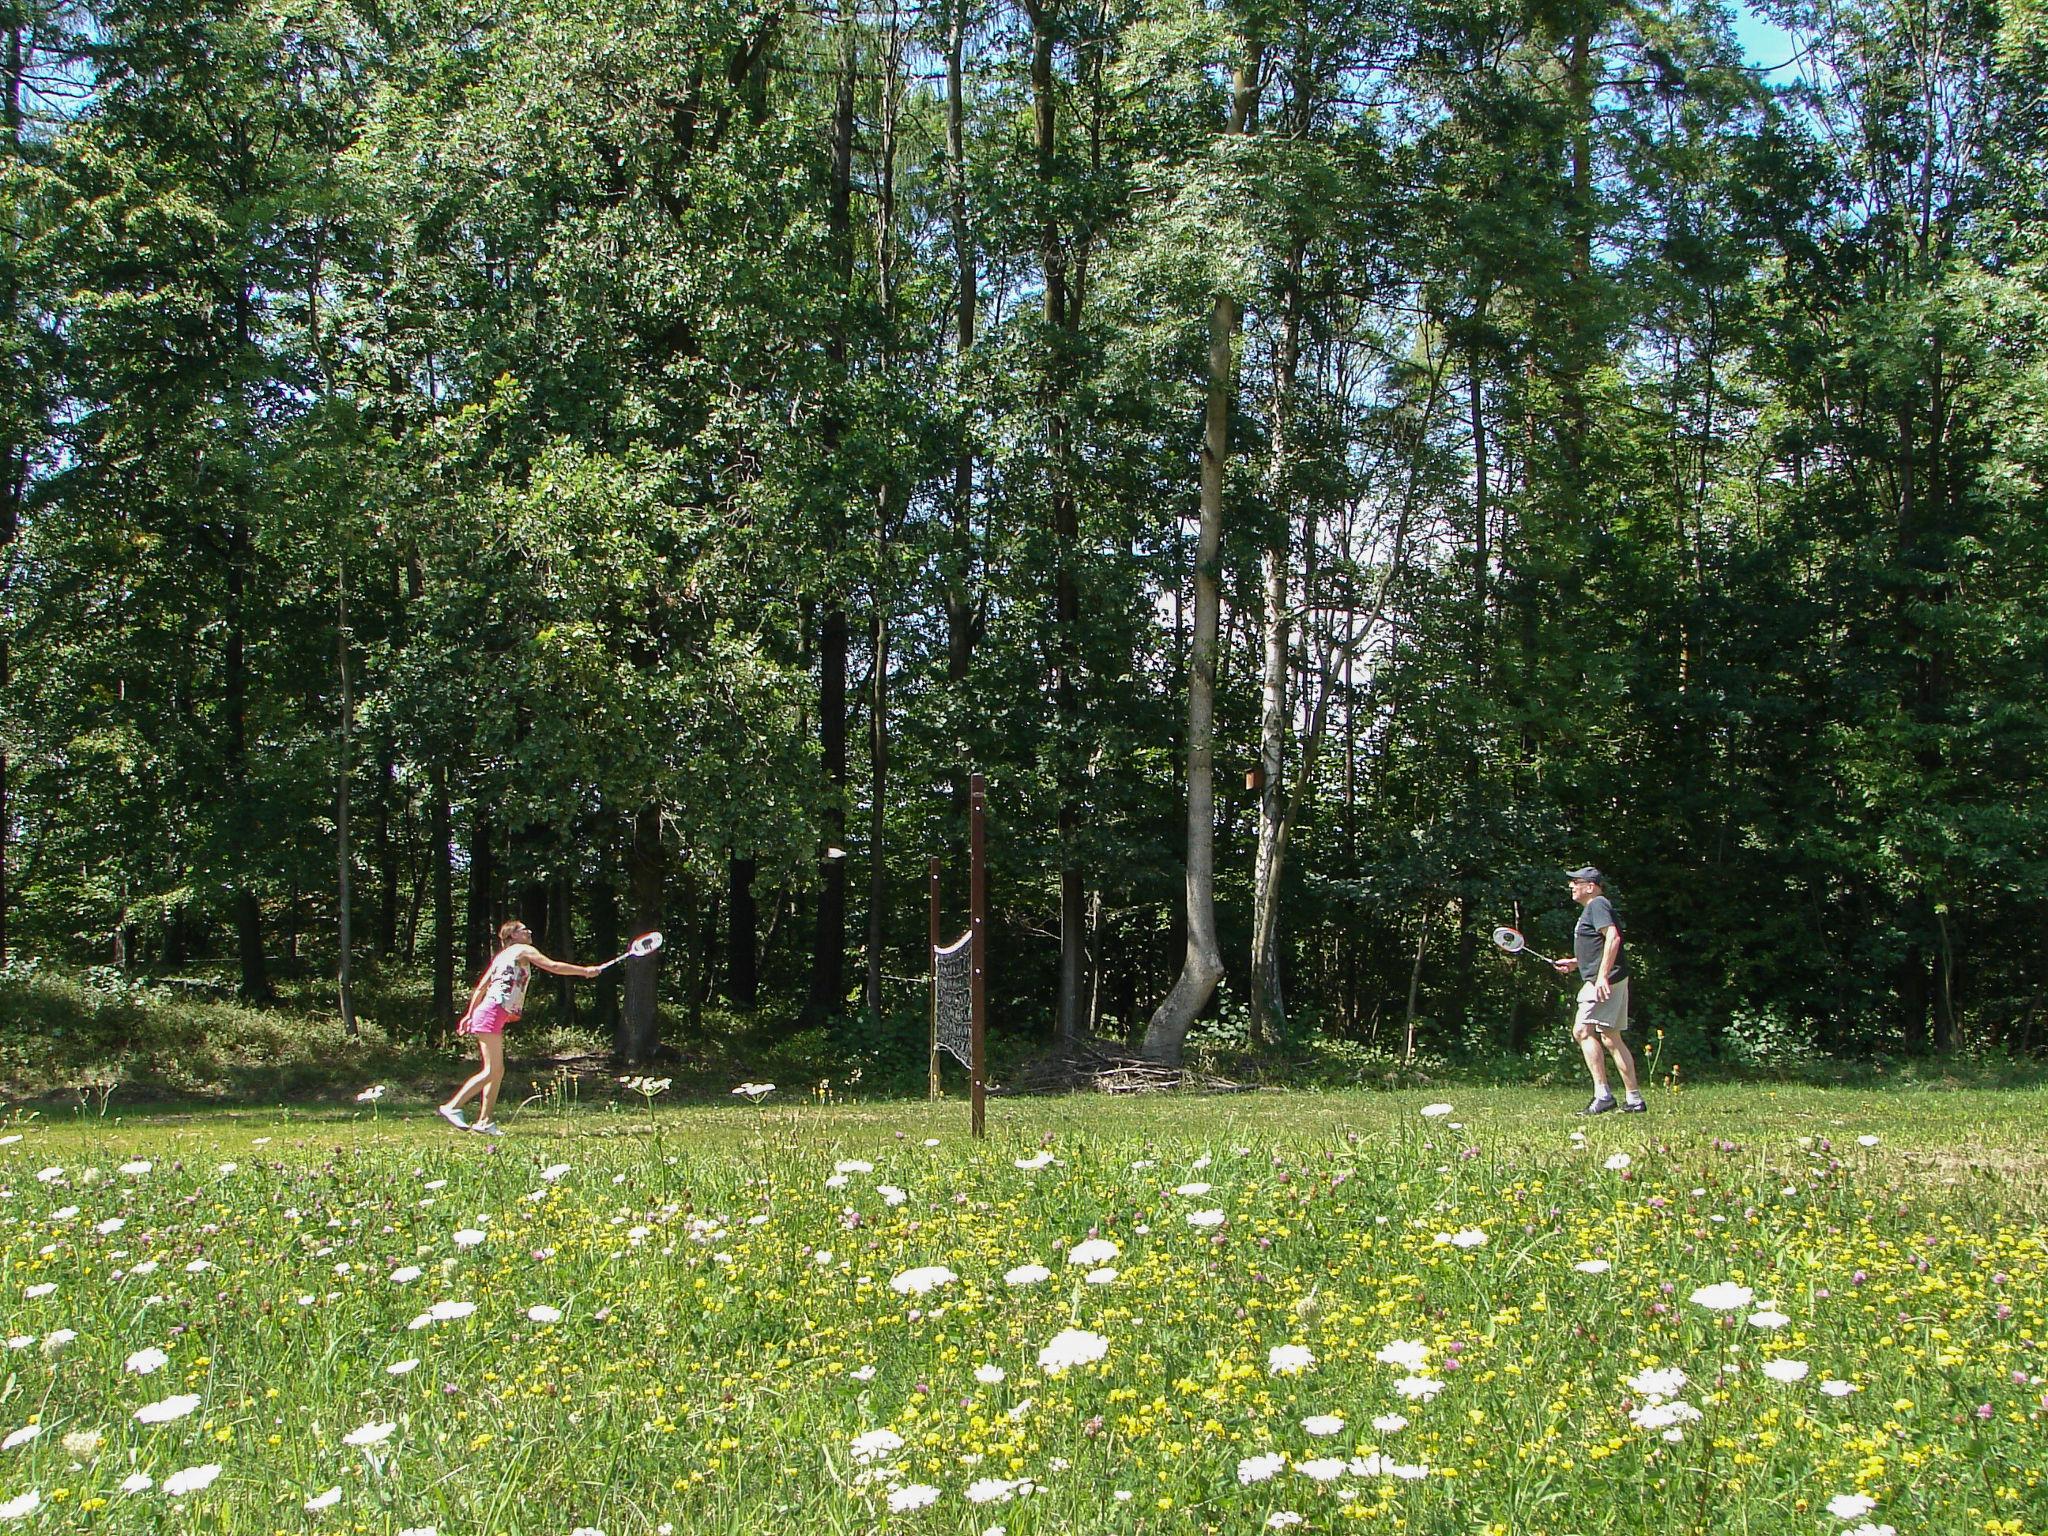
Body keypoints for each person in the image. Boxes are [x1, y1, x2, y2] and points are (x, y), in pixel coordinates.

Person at [439, 920, 600, 1136]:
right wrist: (585, 971)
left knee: (497, 1070)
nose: (529, 931)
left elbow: (481, 988)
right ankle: (453, 1106)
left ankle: (484, 1122)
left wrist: (469, 1014)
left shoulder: (500, 957)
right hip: (492, 1012)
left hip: (490, 1013)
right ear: (512, 936)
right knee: (492, 1070)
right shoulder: (522, 949)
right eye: (524, 929)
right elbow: (552, 966)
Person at [1553, 867, 1645, 1114]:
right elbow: (1599, 944)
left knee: (1583, 1030)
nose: (1571, 886)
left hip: (1604, 980)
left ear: (1590, 886)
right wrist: (1575, 962)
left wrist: (1602, 976)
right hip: (1606, 978)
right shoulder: (1594, 908)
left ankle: (1603, 1095)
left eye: (1576, 882)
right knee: (1610, 1037)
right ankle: (1634, 1099)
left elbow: (1613, 938)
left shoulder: (1597, 905)